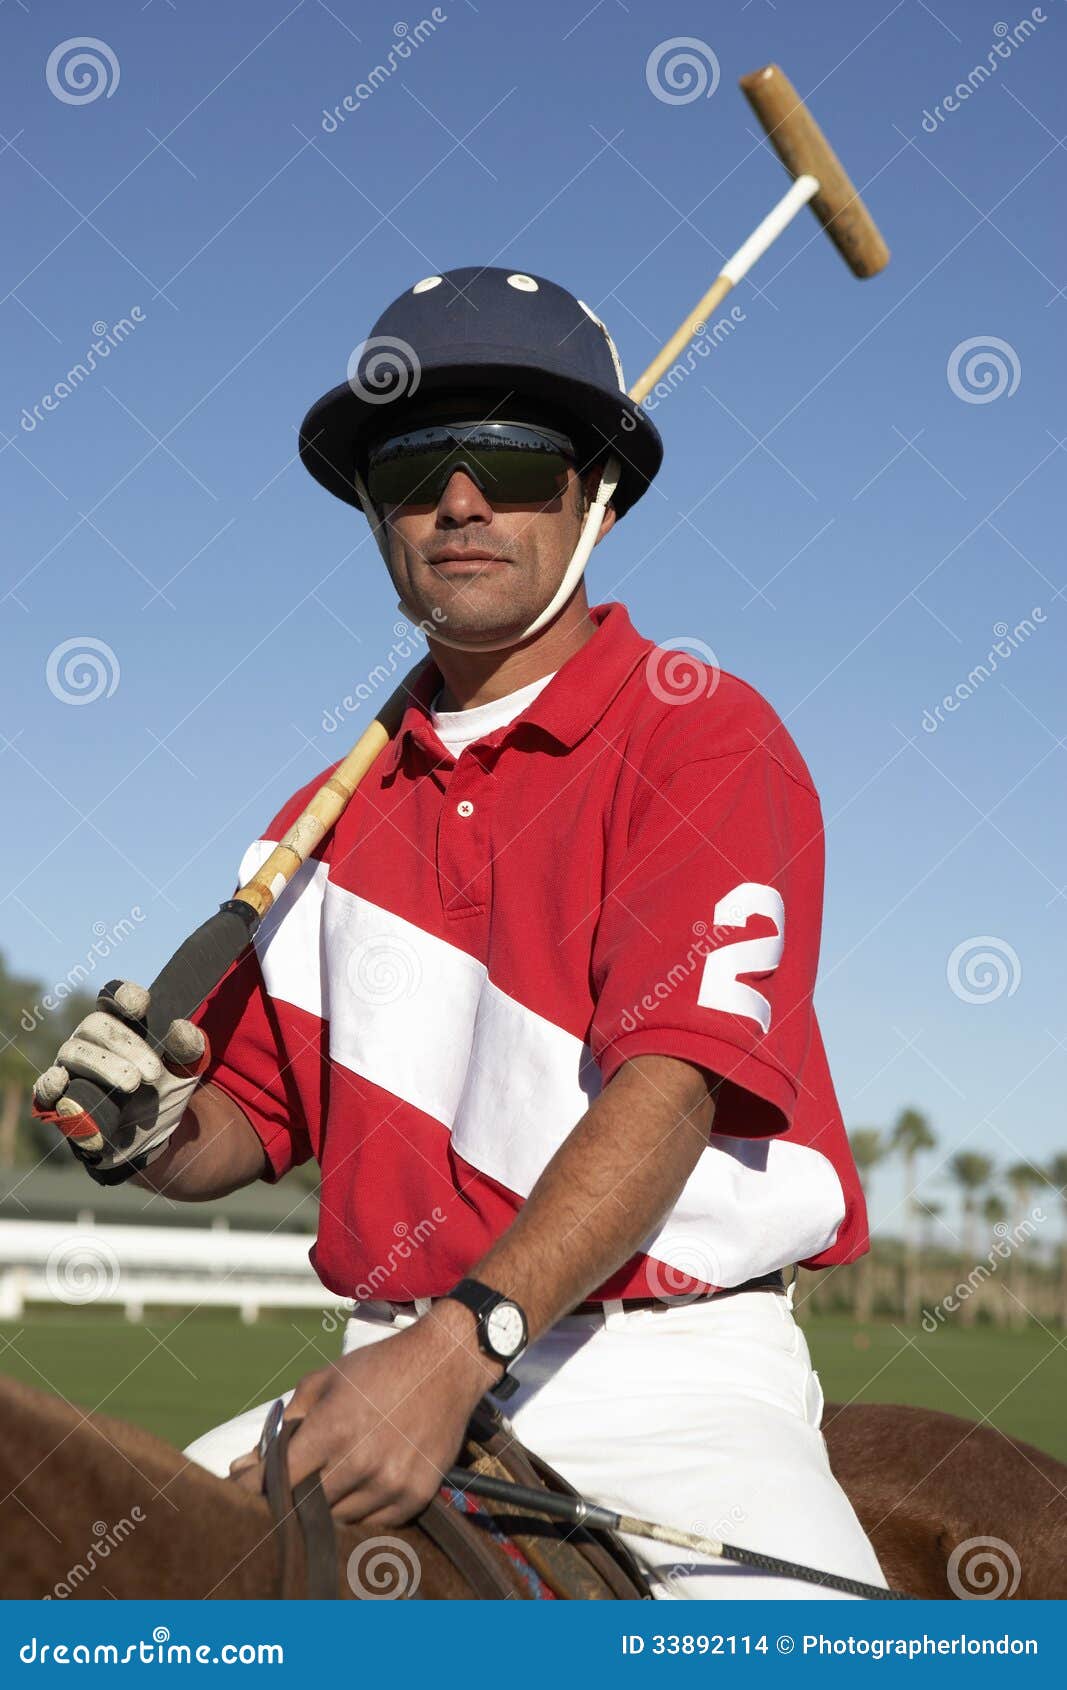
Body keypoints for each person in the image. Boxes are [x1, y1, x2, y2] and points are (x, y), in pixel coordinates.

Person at [34, 267, 886, 1598]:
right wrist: (152, 1133)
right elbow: (255, 1117)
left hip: (669, 1381)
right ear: (379, 517)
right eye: (416, 470)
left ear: (596, 498)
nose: (462, 502)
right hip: (381, 1354)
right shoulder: (317, 824)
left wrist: (461, 1343)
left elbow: (670, 1092)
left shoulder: (705, 738)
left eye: (516, 462)